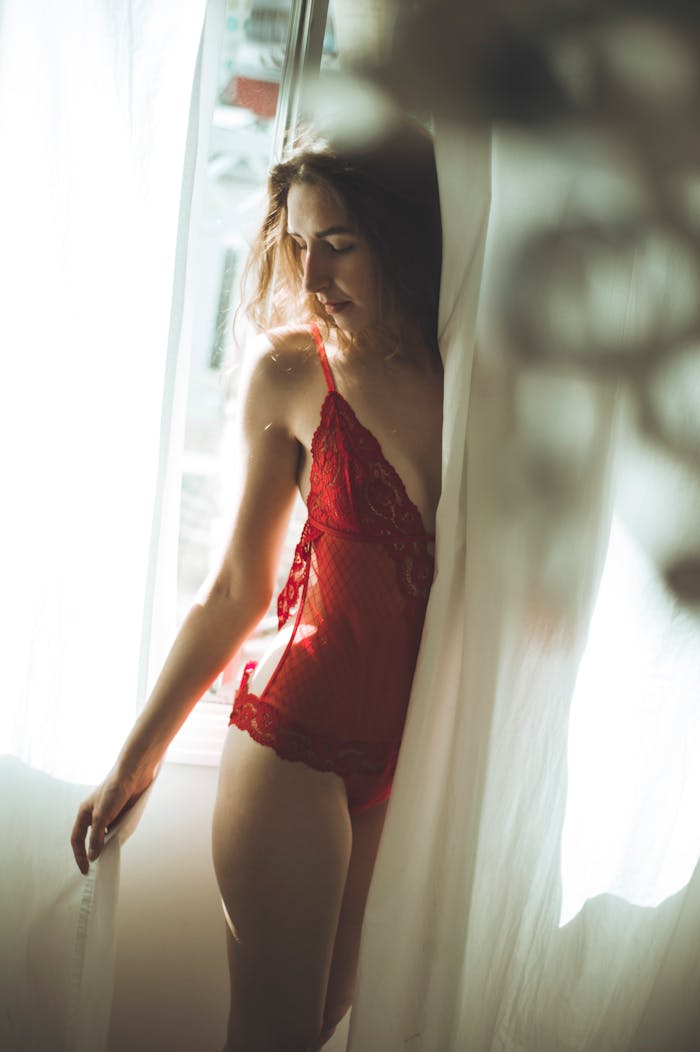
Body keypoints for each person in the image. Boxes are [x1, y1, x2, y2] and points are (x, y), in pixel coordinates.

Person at [71, 116, 443, 1052]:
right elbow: (238, 586)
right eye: (300, 247)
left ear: (399, 240)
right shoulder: (288, 373)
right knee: (272, 1037)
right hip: (293, 745)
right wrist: (135, 757)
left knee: (316, 1029)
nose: (312, 279)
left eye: (340, 248)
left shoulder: (467, 372)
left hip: (400, 767)